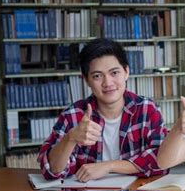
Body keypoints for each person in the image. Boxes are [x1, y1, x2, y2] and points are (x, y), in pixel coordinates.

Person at [37, 38, 167, 181]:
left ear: (126, 72)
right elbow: (51, 170)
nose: (107, 83)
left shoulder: (147, 109)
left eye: (114, 73)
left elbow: (162, 160)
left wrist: (109, 166)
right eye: (97, 76)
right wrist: (70, 138)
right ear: (86, 80)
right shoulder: (73, 115)